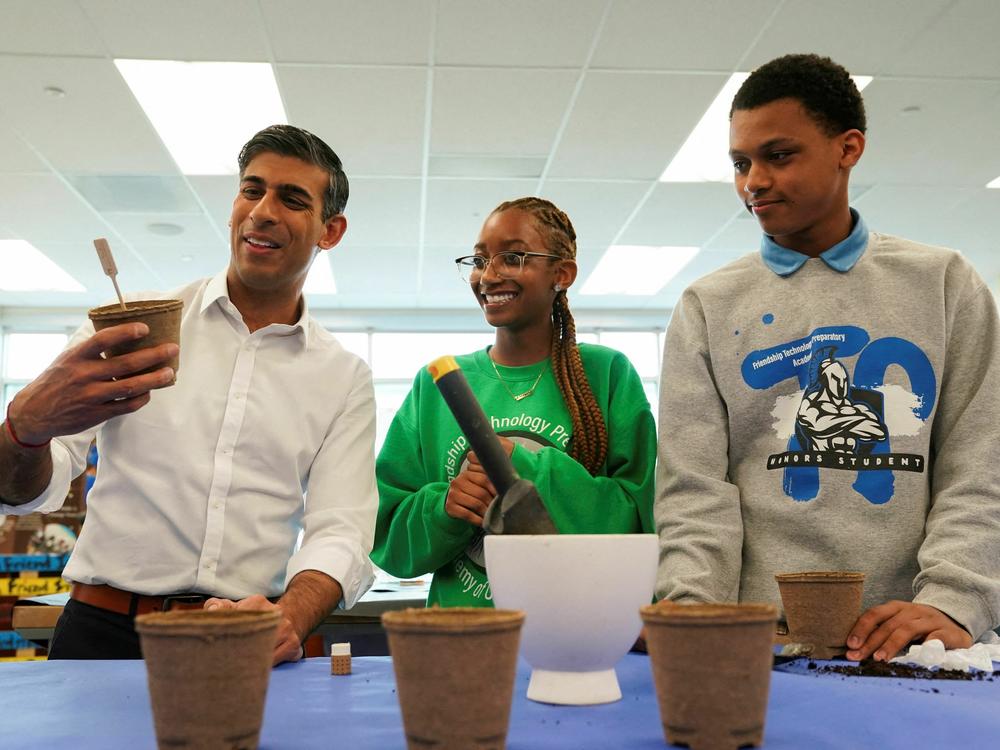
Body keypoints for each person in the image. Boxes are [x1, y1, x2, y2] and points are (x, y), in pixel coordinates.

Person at [655, 53, 1000, 660]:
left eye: (778, 155)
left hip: (917, 644)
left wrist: (954, 599)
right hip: (757, 643)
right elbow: (694, 490)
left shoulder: (945, 284)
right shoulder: (707, 305)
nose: (752, 181)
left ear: (848, 148)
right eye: (740, 163)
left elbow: (980, 467)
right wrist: (691, 612)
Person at [0, 125, 378, 664]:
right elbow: (26, 490)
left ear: (330, 230)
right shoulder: (133, 328)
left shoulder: (343, 377)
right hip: (101, 637)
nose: (263, 211)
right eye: (252, 190)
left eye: (292, 199)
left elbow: (341, 529)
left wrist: (289, 617)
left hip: (242, 639)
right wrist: (24, 430)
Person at [373, 197, 656, 606]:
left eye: (513, 257)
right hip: (462, 638)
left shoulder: (607, 374)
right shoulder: (435, 386)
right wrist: (445, 508)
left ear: (562, 273)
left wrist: (522, 470)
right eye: (479, 260)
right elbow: (388, 540)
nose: (488, 275)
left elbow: (637, 518)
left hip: (577, 629)